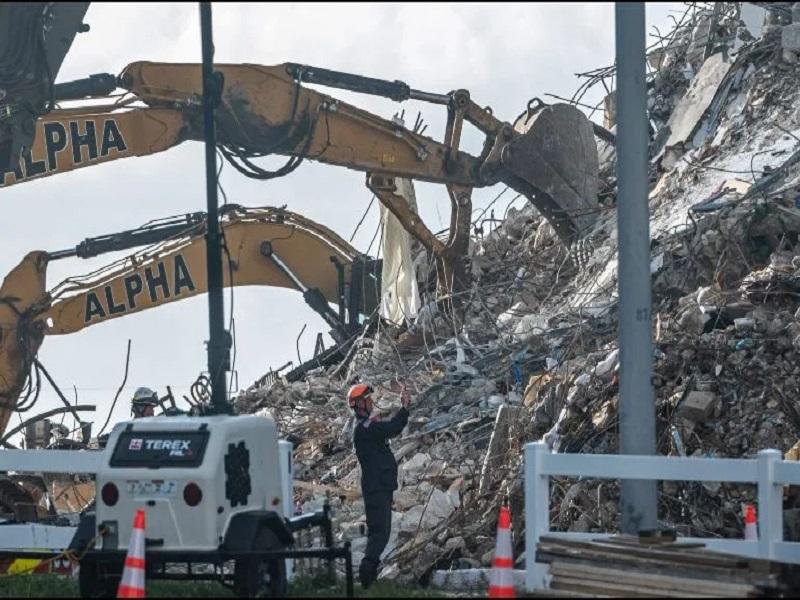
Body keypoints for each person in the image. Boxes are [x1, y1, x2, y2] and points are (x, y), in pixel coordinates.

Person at [348, 381, 411, 589]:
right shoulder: (365, 428)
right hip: (376, 488)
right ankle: (366, 577)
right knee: (379, 533)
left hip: (380, 486)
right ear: (359, 405)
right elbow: (392, 428)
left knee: (382, 532)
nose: (372, 402)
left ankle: (369, 577)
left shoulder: (367, 426)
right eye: (367, 400)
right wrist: (404, 408)